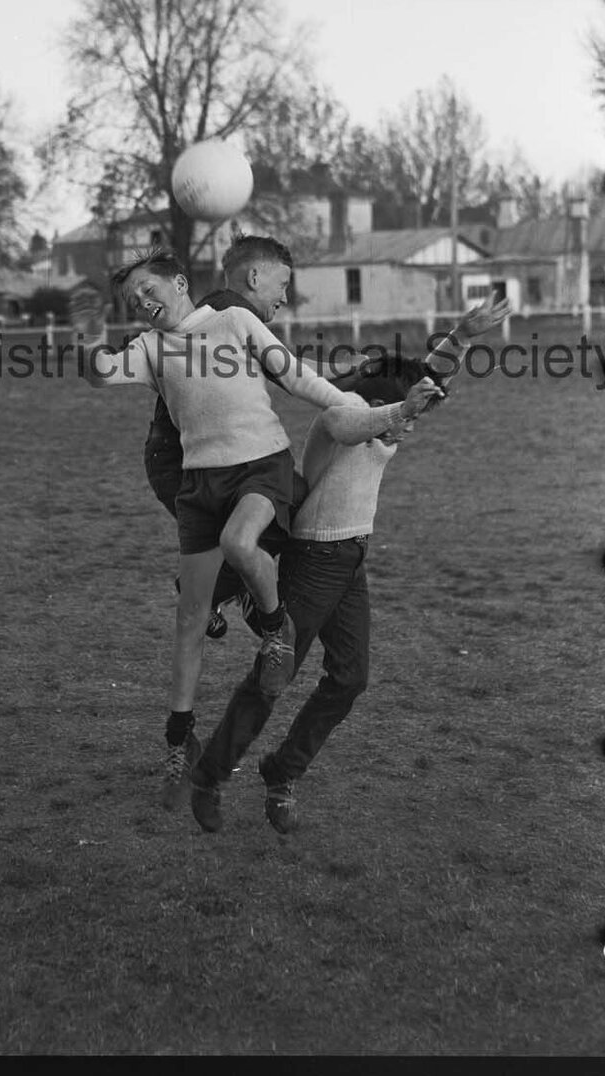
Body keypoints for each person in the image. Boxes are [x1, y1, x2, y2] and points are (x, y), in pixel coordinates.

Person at [74, 245, 407, 811]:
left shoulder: (234, 320)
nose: (143, 304)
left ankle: (276, 628)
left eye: (149, 292)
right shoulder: (151, 349)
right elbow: (102, 375)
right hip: (199, 485)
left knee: (240, 540)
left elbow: (302, 383)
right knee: (189, 617)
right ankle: (180, 742)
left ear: (180, 283)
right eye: (133, 302)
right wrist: (86, 338)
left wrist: (378, 412)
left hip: (261, 467)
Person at [188, 296, 509, 836]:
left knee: (350, 679)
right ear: (379, 401)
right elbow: (360, 423)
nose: (408, 431)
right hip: (313, 563)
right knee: (273, 677)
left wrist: (462, 334)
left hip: (351, 559)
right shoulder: (339, 415)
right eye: (404, 416)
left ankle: (281, 772)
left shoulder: (387, 407)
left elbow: (427, 378)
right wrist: (402, 411)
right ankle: (209, 776)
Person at [141, 232, 298, 642]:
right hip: (184, 461)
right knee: (288, 512)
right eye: (282, 284)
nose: (285, 296)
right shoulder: (229, 309)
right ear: (254, 277)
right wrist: (359, 369)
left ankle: (228, 591)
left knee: (261, 523)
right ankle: (219, 593)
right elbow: (290, 372)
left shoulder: (220, 308)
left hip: (184, 458)